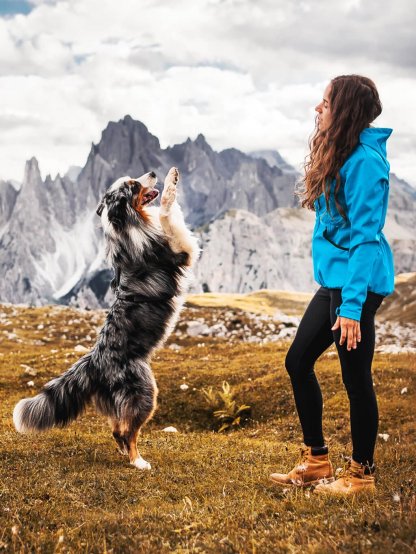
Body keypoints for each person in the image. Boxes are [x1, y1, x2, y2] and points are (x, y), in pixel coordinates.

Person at [269, 75, 395, 495]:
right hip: (335, 283)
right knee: (298, 361)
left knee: (356, 380)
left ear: (344, 110)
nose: (317, 108)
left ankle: (361, 475)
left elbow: (364, 238)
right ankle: (317, 461)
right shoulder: (342, 154)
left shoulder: (366, 164)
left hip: (356, 287)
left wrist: (352, 307)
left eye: (324, 102)